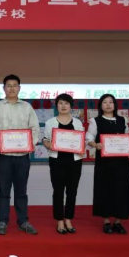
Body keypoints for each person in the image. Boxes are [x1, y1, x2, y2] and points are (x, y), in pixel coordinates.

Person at [0, 74, 40, 235]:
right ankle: (2, 221)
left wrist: (30, 143)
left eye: (14, 85)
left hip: (22, 156)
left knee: (21, 190)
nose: (11, 88)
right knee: (3, 190)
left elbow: (35, 128)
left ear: (19, 88)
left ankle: (23, 221)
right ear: (4, 88)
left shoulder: (27, 107)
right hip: (4, 156)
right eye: (8, 85)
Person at [86, 94, 129, 234]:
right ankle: (106, 221)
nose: (108, 104)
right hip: (104, 162)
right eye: (105, 102)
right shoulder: (95, 121)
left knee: (121, 189)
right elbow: (88, 138)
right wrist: (95, 145)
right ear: (100, 105)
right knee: (105, 189)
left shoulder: (122, 120)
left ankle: (118, 222)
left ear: (115, 105)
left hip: (121, 162)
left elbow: (126, 137)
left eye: (111, 102)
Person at [42, 94, 85, 234]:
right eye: (60, 103)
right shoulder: (50, 122)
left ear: (71, 106)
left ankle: (69, 219)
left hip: (75, 161)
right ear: (57, 106)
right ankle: (59, 221)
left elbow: (82, 141)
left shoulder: (77, 123)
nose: (63, 106)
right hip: (57, 161)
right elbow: (45, 139)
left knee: (72, 191)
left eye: (66, 103)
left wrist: (82, 148)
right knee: (58, 191)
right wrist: (48, 144)